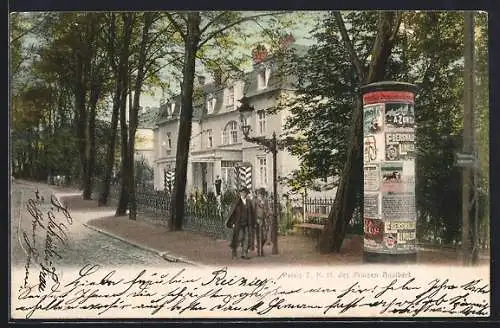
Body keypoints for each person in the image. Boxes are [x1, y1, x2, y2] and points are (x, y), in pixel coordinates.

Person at [225, 187, 255, 259]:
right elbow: (232, 213)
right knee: (239, 238)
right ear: (240, 193)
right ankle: (234, 250)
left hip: (247, 223)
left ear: (247, 194)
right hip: (239, 223)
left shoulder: (249, 202)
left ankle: (244, 254)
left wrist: (253, 223)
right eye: (242, 192)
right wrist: (232, 222)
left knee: (247, 238)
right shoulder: (237, 202)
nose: (244, 194)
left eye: (245, 192)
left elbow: (252, 213)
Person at [254, 188, 271, 256]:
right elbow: (253, 211)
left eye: (262, 194)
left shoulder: (266, 201)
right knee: (259, 236)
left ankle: (259, 246)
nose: (260, 195)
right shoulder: (255, 201)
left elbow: (268, 210)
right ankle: (260, 251)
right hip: (257, 220)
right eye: (259, 194)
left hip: (264, 220)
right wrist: (256, 219)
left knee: (265, 237)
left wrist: (267, 213)